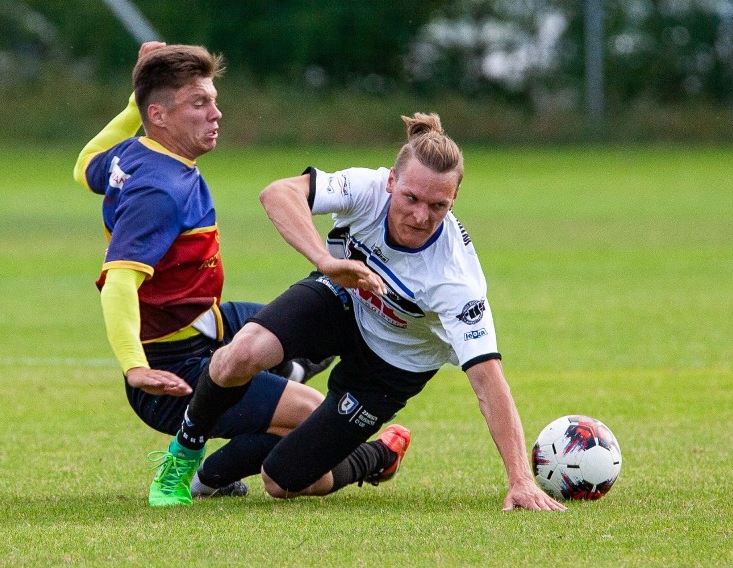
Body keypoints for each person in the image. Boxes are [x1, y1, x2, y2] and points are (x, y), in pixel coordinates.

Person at [165, 112, 568, 511]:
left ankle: (375, 457)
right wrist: (325, 262)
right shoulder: (367, 187)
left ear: (454, 200)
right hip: (341, 299)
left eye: (438, 205)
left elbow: (488, 382)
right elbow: (277, 193)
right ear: (391, 181)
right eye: (410, 197)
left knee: (280, 481)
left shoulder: (455, 279)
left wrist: (520, 480)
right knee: (241, 354)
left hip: (391, 366)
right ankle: (183, 455)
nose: (420, 216)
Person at [72, 42, 330, 506]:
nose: (217, 113)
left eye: (213, 99)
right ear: (161, 116)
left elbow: (84, 163)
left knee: (320, 328)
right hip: (176, 371)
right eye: (199, 103)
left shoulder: (132, 153)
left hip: (210, 323)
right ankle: (202, 473)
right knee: (318, 421)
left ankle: (269, 390)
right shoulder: (159, 191)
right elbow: (118, 284)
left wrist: (133, 103)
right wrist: (135, 367)